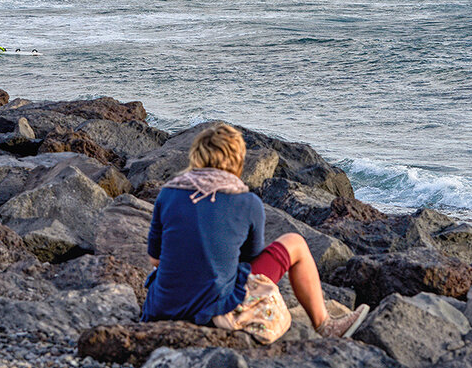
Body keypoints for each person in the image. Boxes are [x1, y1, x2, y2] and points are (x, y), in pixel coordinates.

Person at [141, 123, 369, 339]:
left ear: (197, 157)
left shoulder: (168, 193)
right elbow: (250, 262)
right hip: (215, 307)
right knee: (295, 242)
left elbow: (155, 258)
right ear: (237, 160)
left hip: (163, 306)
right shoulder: (247, 201)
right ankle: (325, 325)